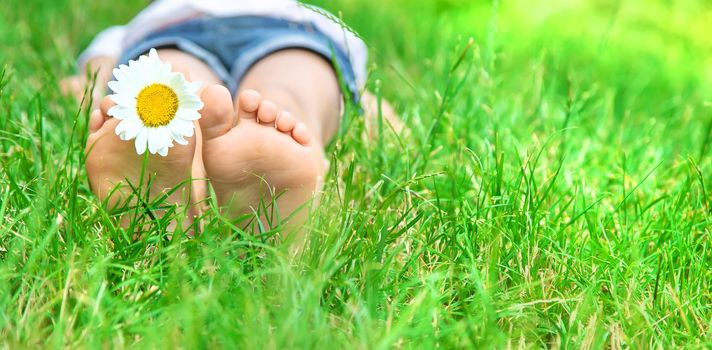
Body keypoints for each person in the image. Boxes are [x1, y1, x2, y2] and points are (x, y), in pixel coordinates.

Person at [62, 0, 397, 234]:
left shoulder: (298, 10)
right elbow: (104, 53)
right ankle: (179, 190)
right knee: (180, 93)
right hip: (199, 34)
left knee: (274, 101)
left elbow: (102, 56)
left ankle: (193, 189)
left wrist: (92, 85)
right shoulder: (146, 17)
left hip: (278, 31)